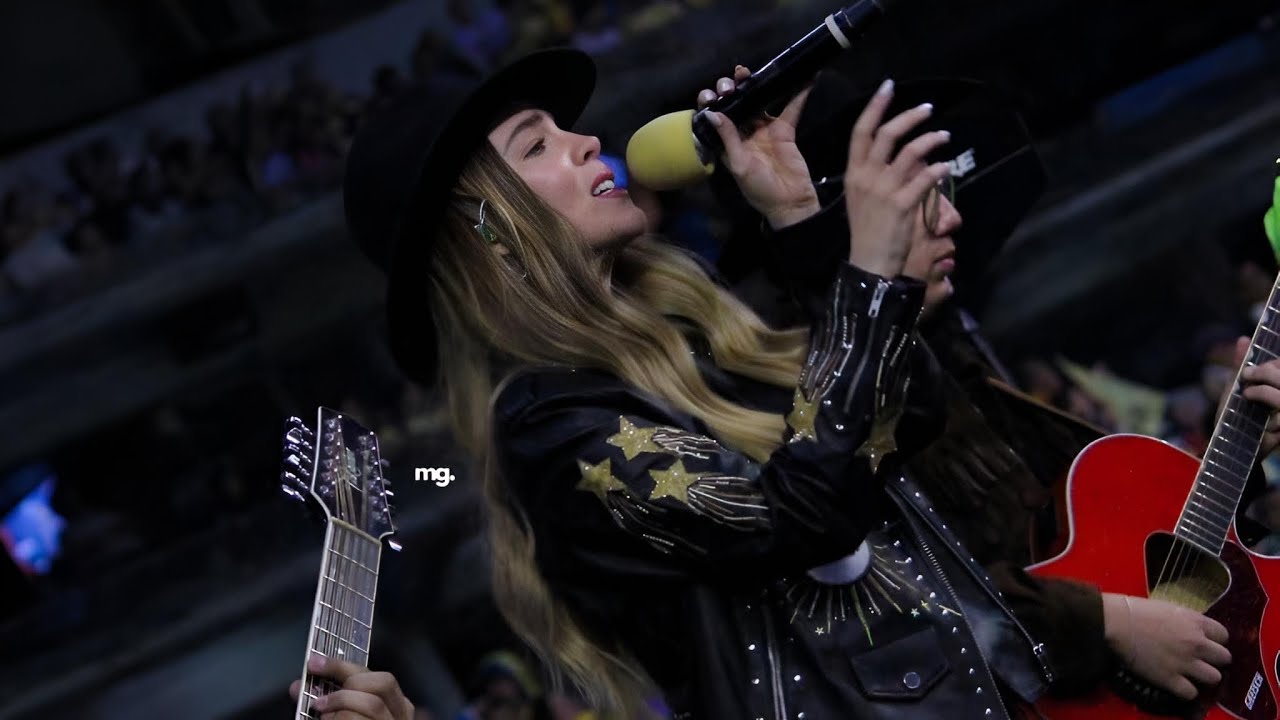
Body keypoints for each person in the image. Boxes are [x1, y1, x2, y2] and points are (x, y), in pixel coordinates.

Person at [333, 47, 1051, 720]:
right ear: (488, 232)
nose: (584, 141)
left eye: (565, 127)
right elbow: (794, 519)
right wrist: (867, 273)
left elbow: (911, 412)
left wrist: (798, 218)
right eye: (536, 144)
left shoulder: (697, 331)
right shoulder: (553, 435)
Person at [725, 72, 1280, 710]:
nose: (955, 219)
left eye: (948, 194)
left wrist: (1233, 447)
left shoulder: (945, 353)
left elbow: (1097, 540)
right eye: (922, 203)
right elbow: (899, 603)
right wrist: (1106, 623)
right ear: (857, 232)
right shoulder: (824, 412)